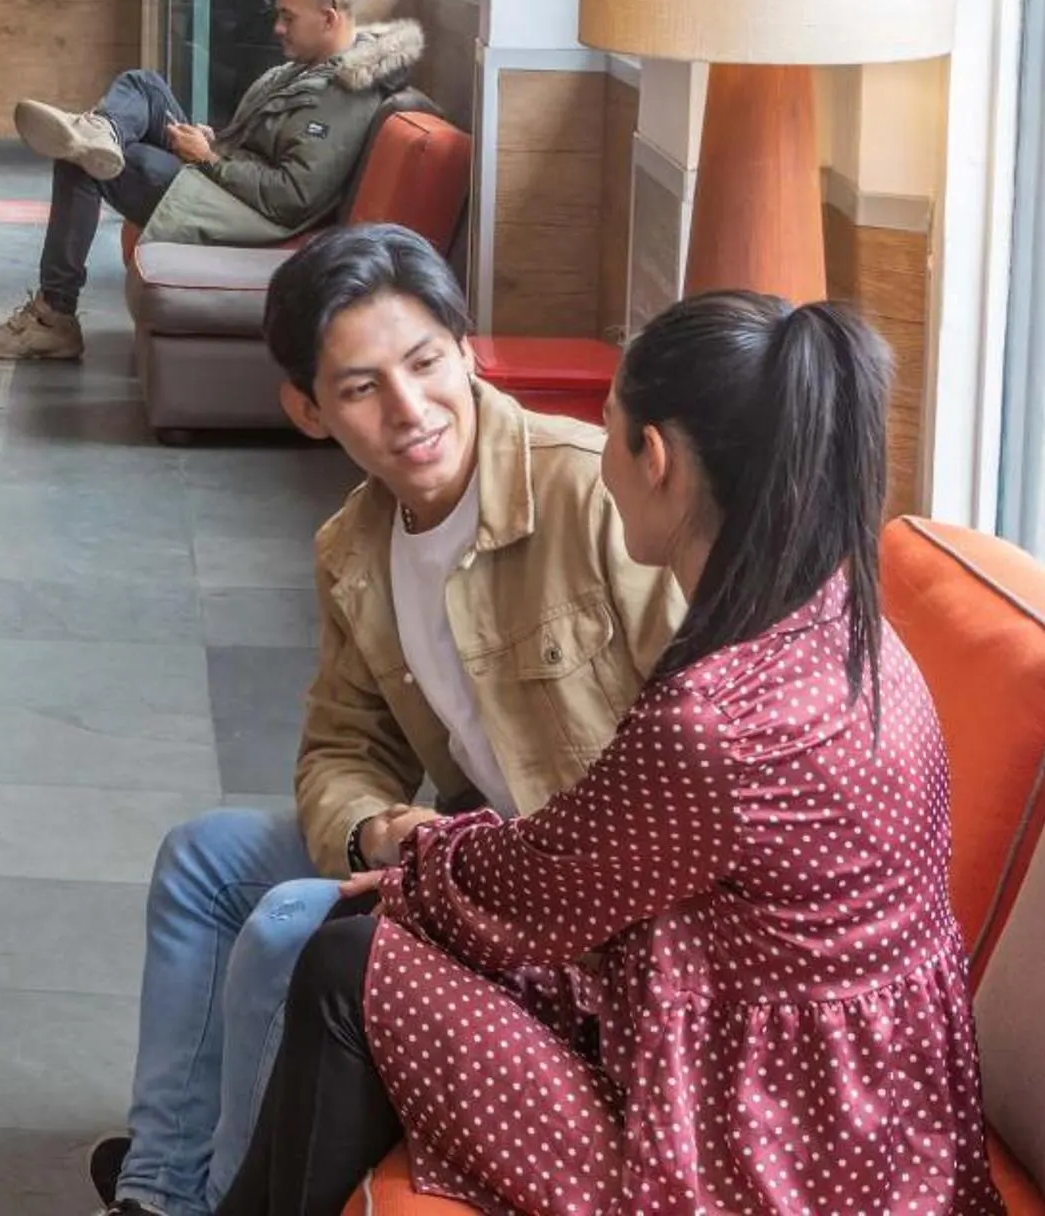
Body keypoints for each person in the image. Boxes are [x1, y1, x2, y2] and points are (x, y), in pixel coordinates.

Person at [215, 292, 1002, 1216]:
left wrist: (407, 852)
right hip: (865, 1101)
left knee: (350, 969)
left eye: (612, 430)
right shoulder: (845, 621)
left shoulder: (715, 721)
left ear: (655, 458)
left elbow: (533, 889)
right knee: (353, 935)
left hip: (761, 1142)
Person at [88, 226, 680, 1216]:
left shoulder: (590, 492)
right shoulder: (354, 546)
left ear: (464, 345)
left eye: (424, 363)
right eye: (361, 388)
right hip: (458, 849)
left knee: (285, 921)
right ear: (308, 412)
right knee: (203, 860)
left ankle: (229, 1195)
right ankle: (156, 1195)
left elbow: (709, 734)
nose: (409, 412)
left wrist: (496, 867)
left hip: (579, 898)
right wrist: (375, 829)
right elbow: (342, 747)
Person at [0, 0, 423, 362]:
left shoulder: (344, 96)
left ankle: (54, 319)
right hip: (226, 178)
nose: (277, 28)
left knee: (78, 164)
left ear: (328, 18)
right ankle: (100, 130)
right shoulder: (310, 67)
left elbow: (292, 196)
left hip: (249, 213)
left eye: (288, 18)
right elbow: (262, 145)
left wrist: (209, 159)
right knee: (144, 84)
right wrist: (215, 142)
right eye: (278, 16)